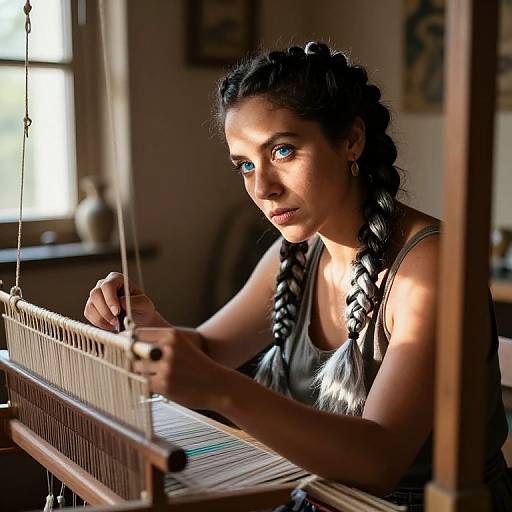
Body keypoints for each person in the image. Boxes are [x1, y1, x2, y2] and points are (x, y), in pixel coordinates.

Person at [84, 42, 512, 510]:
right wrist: (148, 325)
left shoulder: (429, 268)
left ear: (351, 139)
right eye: (245, 165)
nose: (262, 187)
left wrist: (222, 390)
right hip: (322, 498)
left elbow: (378, 462)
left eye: (282, 151)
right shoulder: (298, 254)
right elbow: (210, 349)